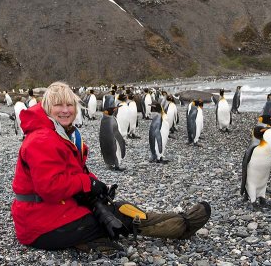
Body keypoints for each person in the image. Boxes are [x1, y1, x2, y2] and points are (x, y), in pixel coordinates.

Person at [11, 81, 211, 252]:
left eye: (69, 104)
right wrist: (87, 183)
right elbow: (50, 188)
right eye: (58, 105)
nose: (65, 110)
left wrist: (95, 186)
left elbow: (72, 172)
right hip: (39, 226)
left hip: (48, 214)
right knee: (114, 219)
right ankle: (181, 227)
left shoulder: (58, 133)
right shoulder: (42, 140)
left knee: (116, 208)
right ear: (47, 108)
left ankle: (180, 220)